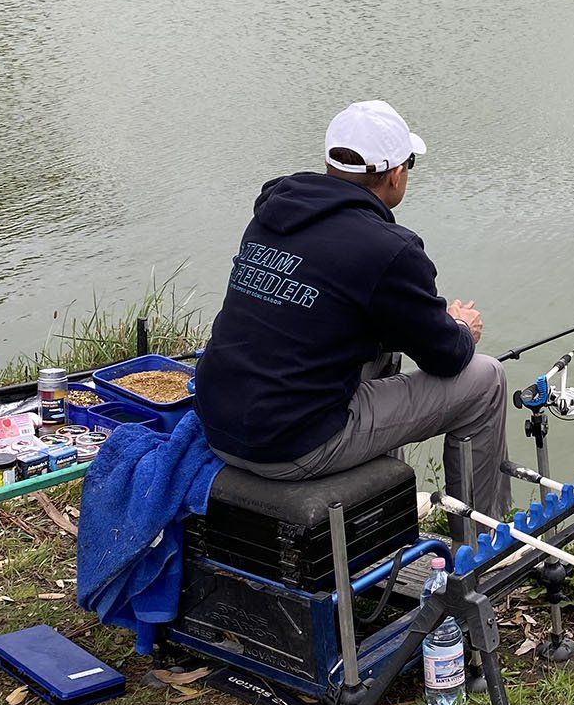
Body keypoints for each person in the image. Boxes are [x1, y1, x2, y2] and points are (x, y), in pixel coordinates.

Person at [193, 99, 509, 517]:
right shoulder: (389, 249)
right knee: (486, 379)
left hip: (219, 422)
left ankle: (383, 506)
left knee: (385, 348)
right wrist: (460, 327)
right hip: (293, 446)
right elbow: (447, 357)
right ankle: (483, 545)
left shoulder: (274, 212)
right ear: (396, 174)